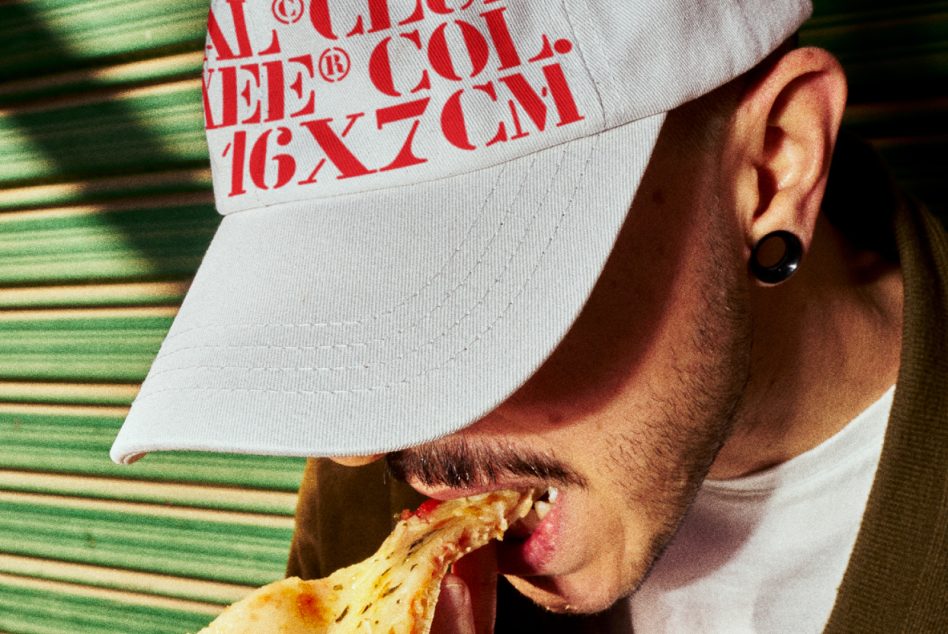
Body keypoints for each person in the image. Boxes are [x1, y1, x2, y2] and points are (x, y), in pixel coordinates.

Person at [110, 0, 947, 631]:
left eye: (467, 296)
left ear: (774, 165)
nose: (358, 444)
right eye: (343, 303)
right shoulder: (379, 504)